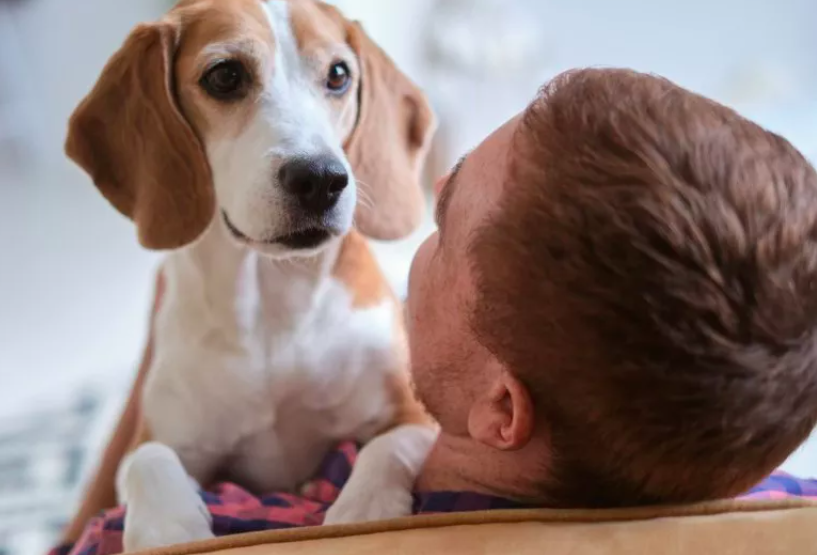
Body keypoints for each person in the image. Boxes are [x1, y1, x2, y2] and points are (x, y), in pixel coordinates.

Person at [55, 68, 817, 555]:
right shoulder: (793, 509)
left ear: (502, 405)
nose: (410, 244)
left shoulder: (224, 531)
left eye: (445, 226)